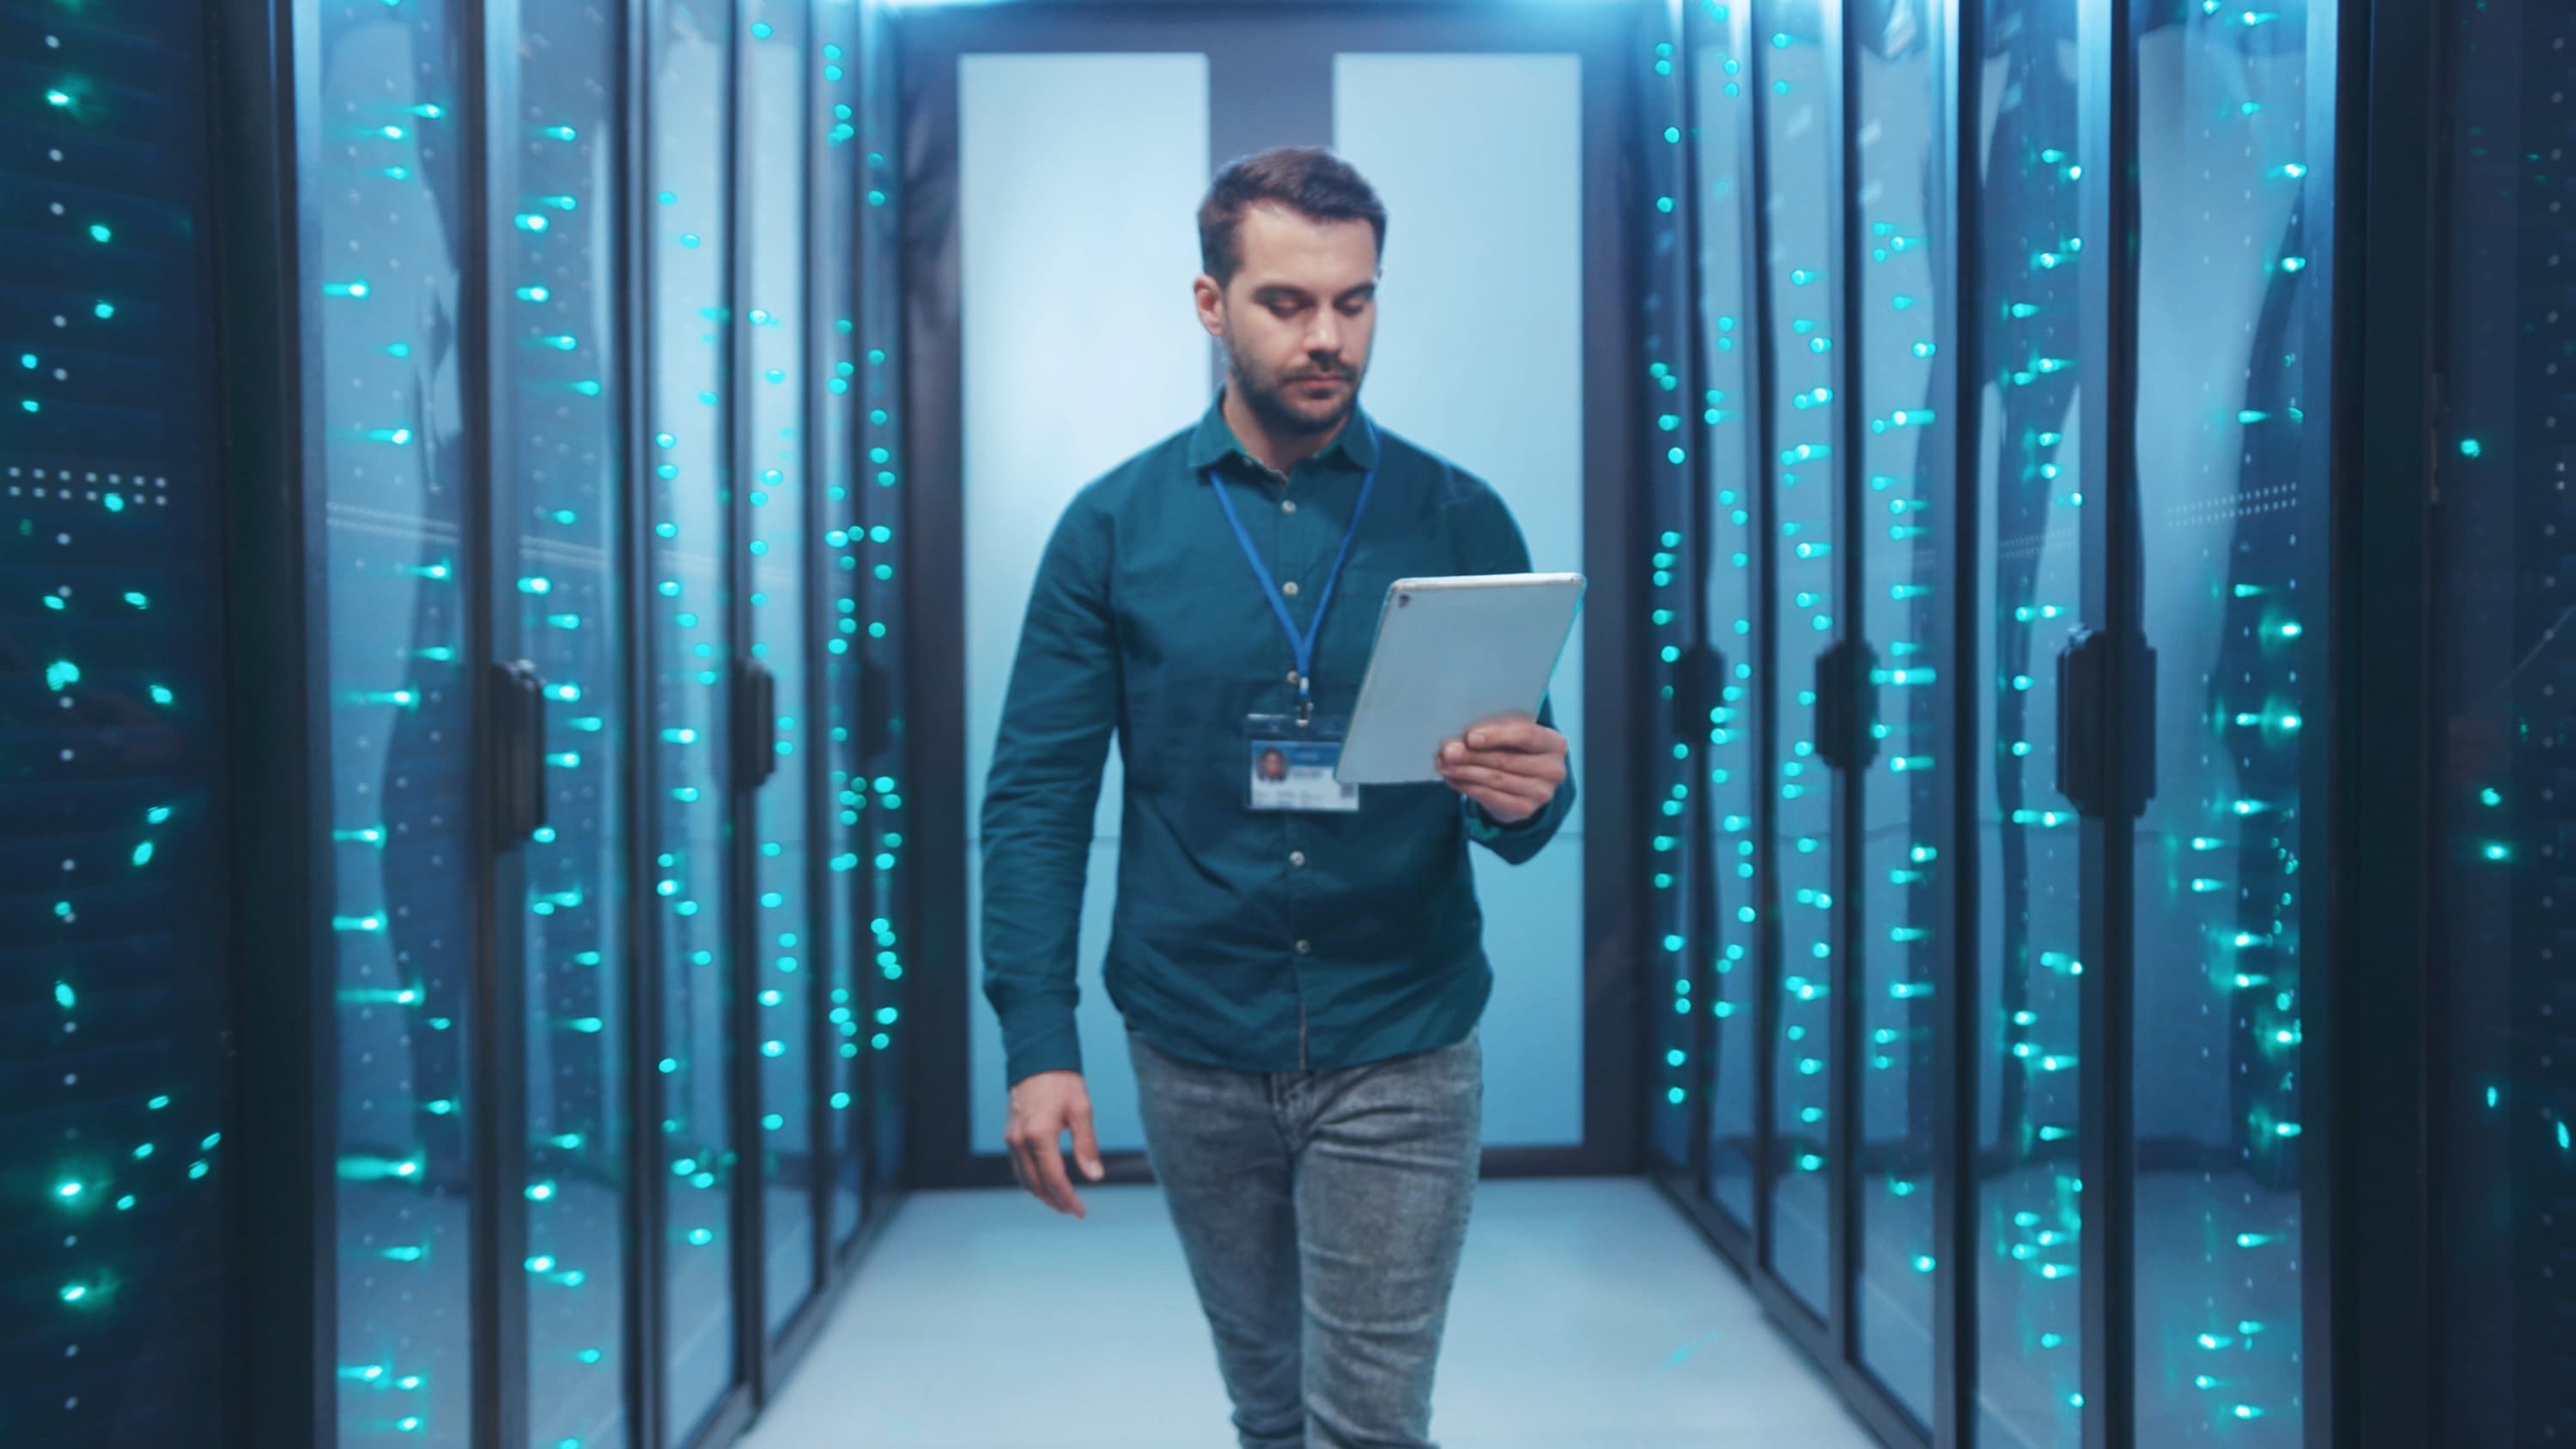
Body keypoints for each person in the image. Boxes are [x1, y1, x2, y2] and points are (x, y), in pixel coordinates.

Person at [978, 144, 1576, 1449]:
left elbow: (1508, 794)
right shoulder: (1114, 529)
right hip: (1195, 1034)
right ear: (1212, 305)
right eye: (1287, 303)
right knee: (1267, 1411)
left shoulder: (1462, 518)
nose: (1328, 338)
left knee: (1365, 1421)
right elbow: (1035, 794)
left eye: (1355, 304)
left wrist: (1533, 792)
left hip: (1400, 1031)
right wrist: (1038, 1040)